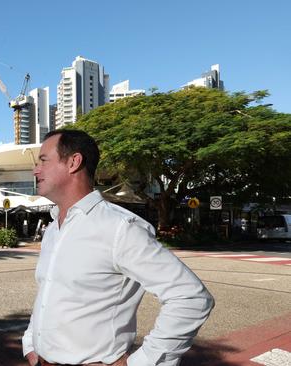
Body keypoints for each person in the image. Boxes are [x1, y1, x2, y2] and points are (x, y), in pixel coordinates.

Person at [22, 130, 214, 366]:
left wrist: (141, 362)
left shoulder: (119, 228)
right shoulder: (53, 229)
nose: (35, 170)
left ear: (73, 162)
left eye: (43, 160)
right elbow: (48, 294)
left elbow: (190, 297)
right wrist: (31, 344)